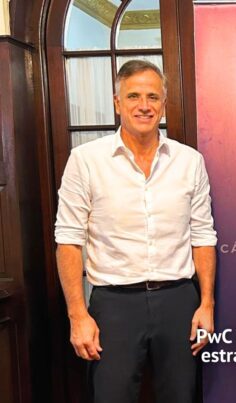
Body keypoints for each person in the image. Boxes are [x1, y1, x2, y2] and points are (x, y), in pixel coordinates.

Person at [55, 60, 217, 403]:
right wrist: (77, 315)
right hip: (114, 305)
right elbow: (68, 241)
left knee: (181, 396)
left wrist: (206, 303)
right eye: (133, 96)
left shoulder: (190, 161)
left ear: (163, 104)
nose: (144, 105)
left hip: (178, 301)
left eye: (152, 97)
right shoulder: (85, 160)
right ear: (118, 103)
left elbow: (203, 236)